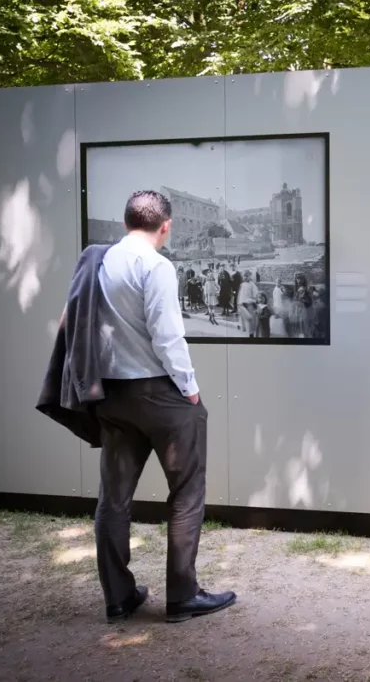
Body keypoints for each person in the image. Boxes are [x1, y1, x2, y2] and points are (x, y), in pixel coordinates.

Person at [93, 190, 236, 624]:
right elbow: (168, 336)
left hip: (113, 394)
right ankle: (182, 596)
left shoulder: (99, 263)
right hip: (159, 393)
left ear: (125, 222)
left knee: (113, 500)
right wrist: (190, 390)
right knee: (187, 493)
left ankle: (118, 597)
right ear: (166, 226)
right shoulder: (156, 265)